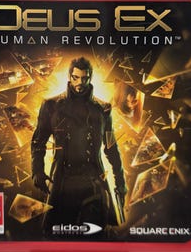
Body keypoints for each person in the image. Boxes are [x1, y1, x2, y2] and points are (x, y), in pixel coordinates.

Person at [31, 57, 127, 234]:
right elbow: (38, 141)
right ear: (69, 76)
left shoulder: (103, 109)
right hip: (62, 180)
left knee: (96, 233)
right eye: (76, 78)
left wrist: (120, 182)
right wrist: (37, 171)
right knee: (59, 234)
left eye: (84, 78)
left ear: (90, 78)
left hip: (93, 180)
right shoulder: (51, 106)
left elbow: (111, 147)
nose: (80, 83)